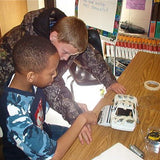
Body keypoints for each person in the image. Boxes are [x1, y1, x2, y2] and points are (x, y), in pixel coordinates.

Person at [0, 7, 126, 145]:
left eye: (71, 55)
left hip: (33, 102)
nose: (66, 59)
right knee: (19, 131)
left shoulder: (66, 34)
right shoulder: (34, 46)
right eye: (65, 52)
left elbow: (90, 56)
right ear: (53, 37)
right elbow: (54, 90)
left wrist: (110, 82)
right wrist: (77, 117)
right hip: (7, 89)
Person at [0, 35, 97, 160]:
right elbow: (53, 156)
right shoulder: (15, 117)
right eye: (51, 73)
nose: (56, 75)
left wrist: (74, 104)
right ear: (31, 76)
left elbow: (47, 100)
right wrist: (81, 119)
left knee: (85, 137)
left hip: (43, 131)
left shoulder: (26, 81)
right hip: (26, 156)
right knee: (80, 143)